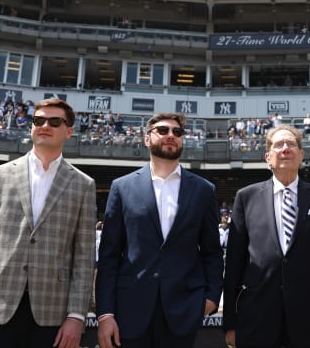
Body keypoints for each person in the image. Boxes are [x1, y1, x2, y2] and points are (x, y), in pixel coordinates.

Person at [0, 98, 97, 348]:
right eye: (38, 120)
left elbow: (84, 257)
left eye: (55, 121)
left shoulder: (83, 184)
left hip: (53, 314)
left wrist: (76, 316)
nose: (45, 125)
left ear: (69, 132)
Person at [95, 113, 223, 348]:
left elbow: (212, 251)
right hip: (129, 310)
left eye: (177, 132)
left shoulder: (204, 190)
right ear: (147, 139)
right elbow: (109, 256)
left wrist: (211, 297)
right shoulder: (122, 187)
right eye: (163, 131)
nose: (171, 136)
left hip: (183, 310)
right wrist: (105, 313)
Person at [223, 124, 310, 348]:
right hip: (255, 320)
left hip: (309, 322)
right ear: (268, 157)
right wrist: (231, 322)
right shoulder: (245, 198)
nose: (285, 148)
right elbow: (233, 266)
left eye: (291, 144)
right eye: (279, 145)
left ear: (301, 155)